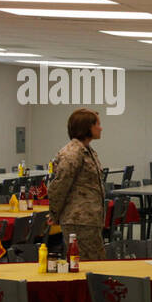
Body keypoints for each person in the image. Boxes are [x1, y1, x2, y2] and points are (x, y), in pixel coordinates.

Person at [47, 108, 107, 260]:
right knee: (88, 266)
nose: (101, 128)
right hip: (78, 220)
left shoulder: (87, 150)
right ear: (87, 127)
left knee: (95, 264)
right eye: (97, 124)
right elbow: (59, 186)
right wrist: (54, 213)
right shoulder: (73, 153)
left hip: (88, 219)